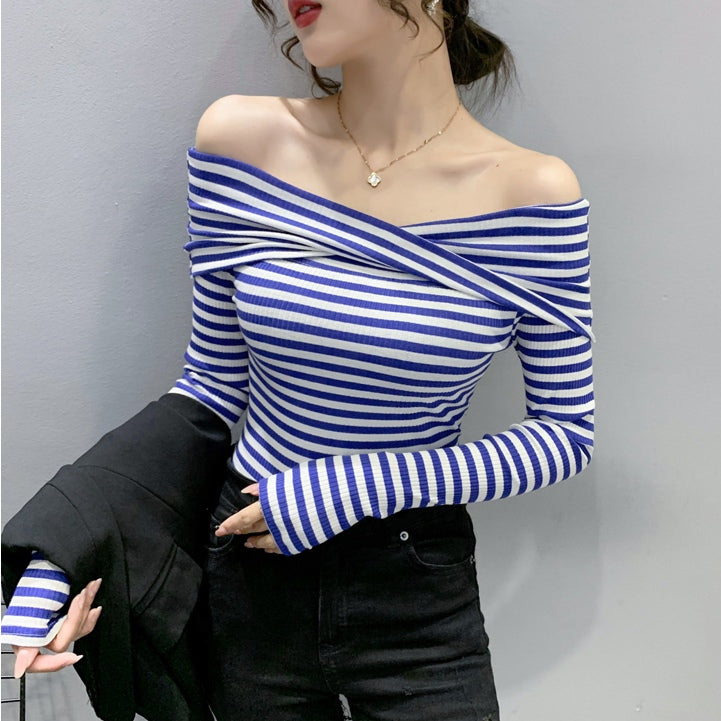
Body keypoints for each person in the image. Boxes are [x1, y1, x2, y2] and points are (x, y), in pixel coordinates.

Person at [1, 1, 595, 719]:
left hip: (412, 587)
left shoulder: (532, 195)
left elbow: (566, 433)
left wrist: (354, 487)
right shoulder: (241, 142)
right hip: (250, 572)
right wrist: (62, 549)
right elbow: (209, 385)